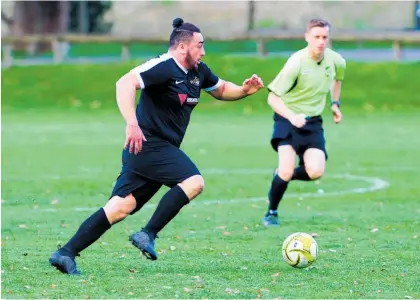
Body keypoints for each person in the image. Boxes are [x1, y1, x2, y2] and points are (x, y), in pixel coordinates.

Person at [49, 17, 264, 275]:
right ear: (183, 47)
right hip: (148, 144)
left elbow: (220, 89)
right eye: (200, 45)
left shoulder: (199, 71)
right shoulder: (163, 67)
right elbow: (124, 83)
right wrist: (131, 122)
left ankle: (65, 253)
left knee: (120, 207)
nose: (203, 51)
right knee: (194, 182)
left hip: (150, 151)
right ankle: (147, 234)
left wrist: (244, 90)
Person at [262, 18, 346, 226]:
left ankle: (281, 175)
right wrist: (292, 116)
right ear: (307, 37)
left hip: (313, 122)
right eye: (316, 37)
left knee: (315, 171)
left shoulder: (336, 61)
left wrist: (335, 104)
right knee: (287, 169)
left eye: (324, 37)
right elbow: (272, 97)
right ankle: (271, 212)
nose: (321, 41)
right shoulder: (296, 62)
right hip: (287, 119)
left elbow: (337, 80)